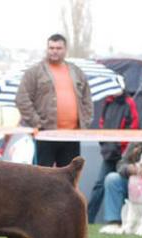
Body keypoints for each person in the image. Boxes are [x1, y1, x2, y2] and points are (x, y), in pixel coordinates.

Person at [15, 33, 93, 167]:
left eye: (58, 48)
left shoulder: (76, 72)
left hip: (72, 135)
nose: (54, 51)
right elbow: (21, 99)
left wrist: (85, 121)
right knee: (42, 178)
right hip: (46, 134)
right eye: (51, 48)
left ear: (65, 50)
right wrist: (37, 123)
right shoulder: (34, 72)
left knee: (70, 178)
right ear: (47, 49)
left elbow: (87, 99)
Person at [99, 106, 142, 234]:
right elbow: (121, 164)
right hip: (135, 185)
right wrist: (131, 169)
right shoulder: (137, 141)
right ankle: (114, 222)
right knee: (112, 179)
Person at [87, 81, 139, 223]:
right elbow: (102, 123)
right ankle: (88, 218)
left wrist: (121, 145)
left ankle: (122, 219)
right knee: (100, 185)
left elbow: (133, 126)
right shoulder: (107, 102)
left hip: (123, 153)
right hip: (109, 152)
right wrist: (105, 143)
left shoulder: (129, 103)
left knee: (123, 184)